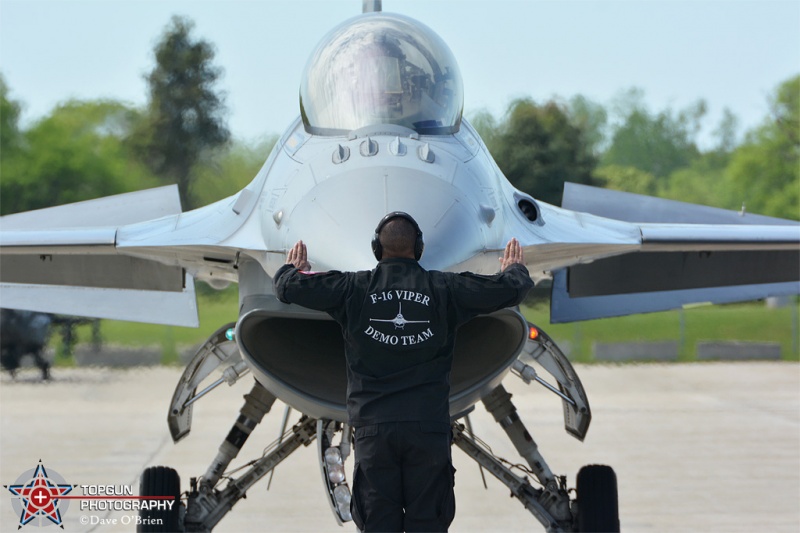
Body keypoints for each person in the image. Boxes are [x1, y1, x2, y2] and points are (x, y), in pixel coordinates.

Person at [273, 212, 534, 532]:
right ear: (420, 248)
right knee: (429, 524)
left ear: (375, 249)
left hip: (374, 432)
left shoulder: (351, 288)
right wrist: (514, 269)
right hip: (427, 430)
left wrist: (291, 269)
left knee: (378, 524)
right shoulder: (445, 288)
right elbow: (511, 289)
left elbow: (287, 288)